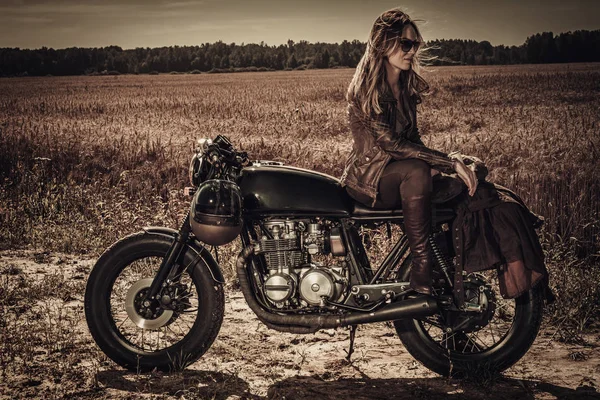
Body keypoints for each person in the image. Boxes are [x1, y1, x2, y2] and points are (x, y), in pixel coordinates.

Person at [340, 8, 478, 295]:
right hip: (370, 180)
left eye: (415, 44)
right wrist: (446, 163)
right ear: (383, 42)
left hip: (396, 173)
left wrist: (449, 162)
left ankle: (451, 252)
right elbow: (390, 143)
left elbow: (413, 139)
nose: (412, 51)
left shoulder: (404, 87)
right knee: (417, 170)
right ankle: (421, 265)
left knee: (469, 166)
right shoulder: (368, 88)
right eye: (406, 44)